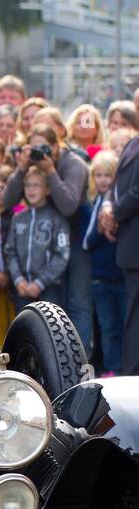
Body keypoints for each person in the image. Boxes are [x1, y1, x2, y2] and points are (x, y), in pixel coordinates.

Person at [4, 123, 92, 351]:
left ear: (56, 145)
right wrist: (21, 168)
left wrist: (51, 171)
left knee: (76, 305)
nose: (37, 151)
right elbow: (6, 202)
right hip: (31, 270)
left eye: (43, 146)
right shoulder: (29, 169)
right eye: (32, 146)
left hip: (74, 239)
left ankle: (76, 363)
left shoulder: (73, 163)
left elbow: (68, 206)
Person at [6, 165, 71, 312]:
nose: (31, 189)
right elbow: (10, 252)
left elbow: (62, 255)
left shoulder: (57, 220)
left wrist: (40, 282)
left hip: (49, 289)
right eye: (28, 185)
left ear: (47, 189)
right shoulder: (18, 218)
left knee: (49, 331)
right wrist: (18, 279)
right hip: (22, 288)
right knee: (24, 330)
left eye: (36, 185)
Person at [102, 127, 139, 373]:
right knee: (133, 320)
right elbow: (117, 185)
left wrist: (115, 212)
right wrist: (107, 205)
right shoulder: (132, 143)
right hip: (131, 247)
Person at [83, 150, 123, 375]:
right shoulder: (95, 202)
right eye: (98, 175)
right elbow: (88, 242)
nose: (103, 180)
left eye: (108, 175)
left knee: (126, 325)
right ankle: (112, 369)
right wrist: (101, 228)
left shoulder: (120, 203)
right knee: (108, 329)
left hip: (122, 275)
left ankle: (127, 368)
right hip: (101, 277)